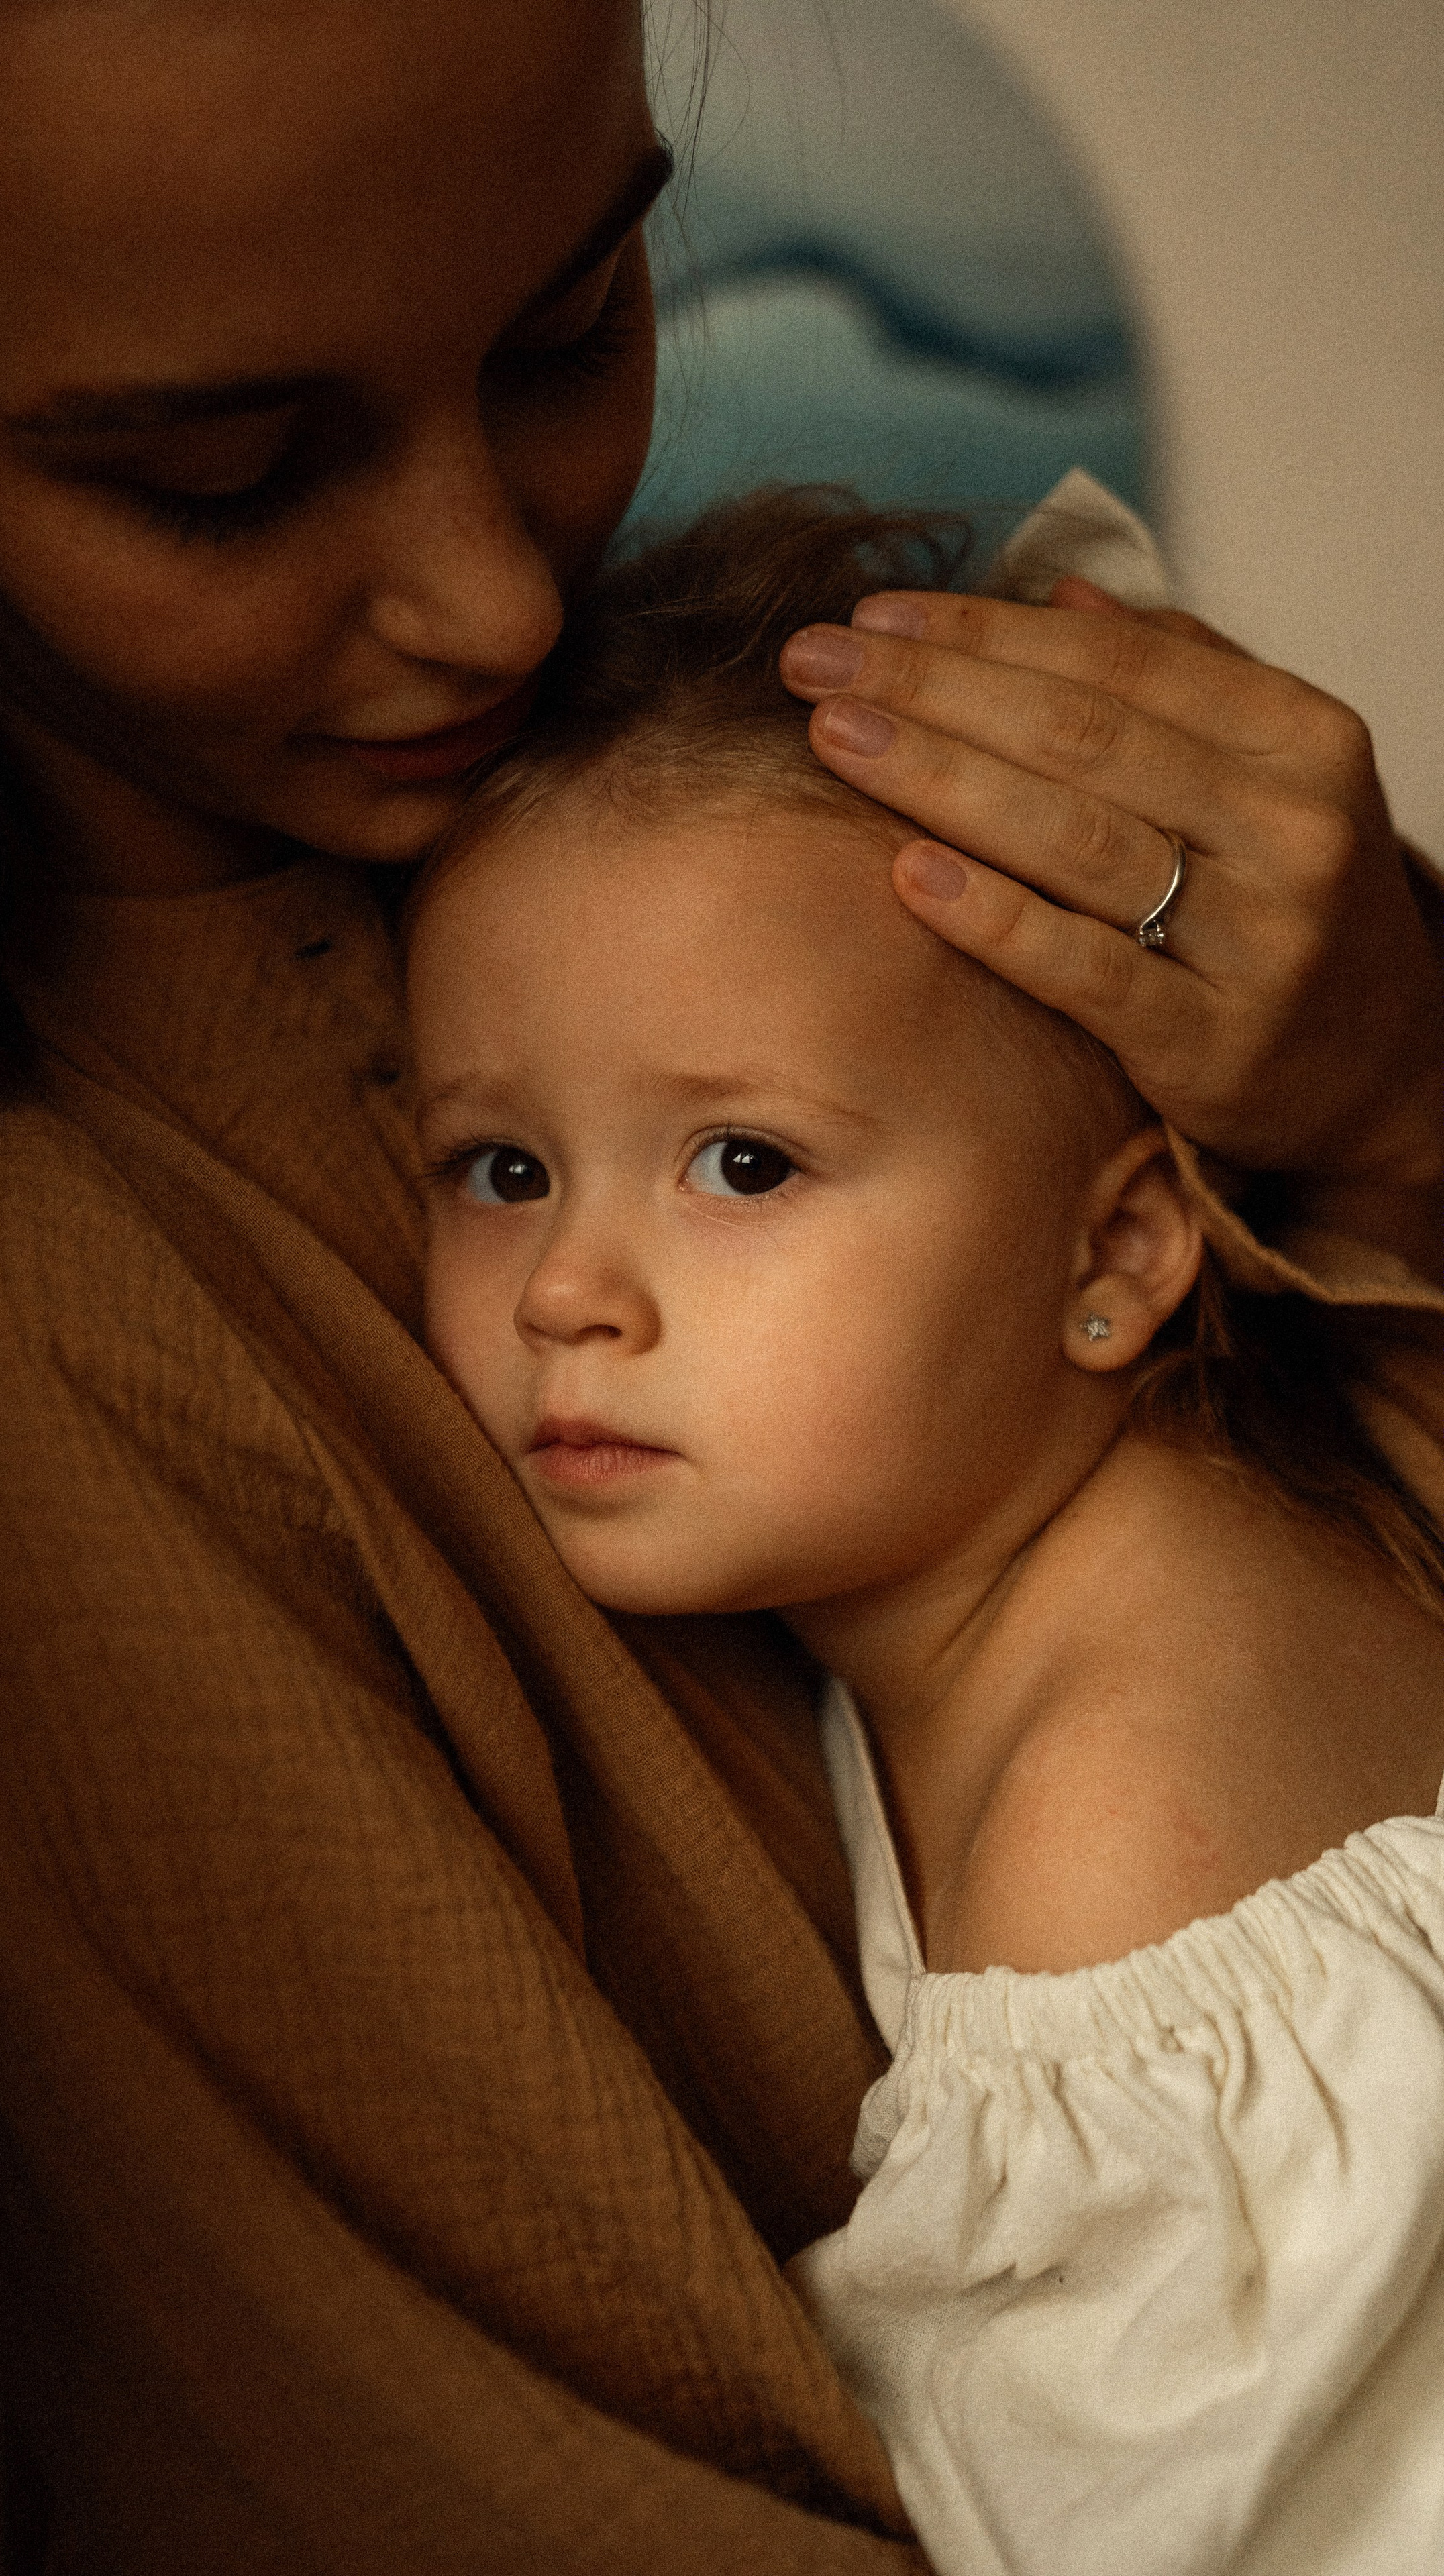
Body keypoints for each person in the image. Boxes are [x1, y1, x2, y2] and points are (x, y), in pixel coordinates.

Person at [0, 0, 1441, 2563]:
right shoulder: (0, 1332)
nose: (498, 593)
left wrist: (1399, 1078)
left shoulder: (767, 807)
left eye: (575, 331)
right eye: (227, 477)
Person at [408, 488, 1444, 2575]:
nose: (568, 1292)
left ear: (1124, 1247)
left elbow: (1113, 2512)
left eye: (741, 1160)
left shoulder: (1115, 1823)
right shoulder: (1186, 1525)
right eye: (501, 1165)